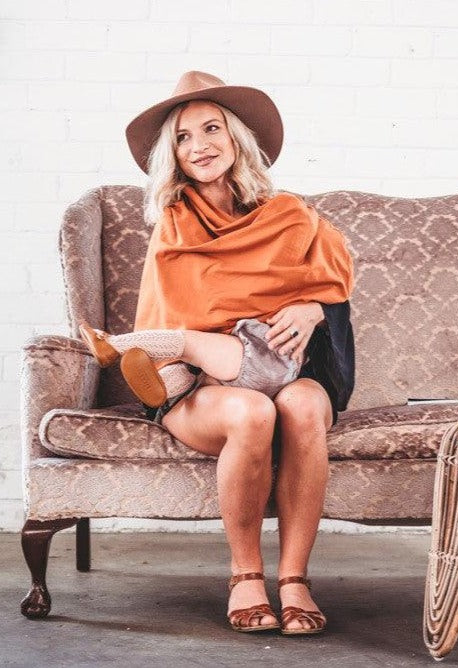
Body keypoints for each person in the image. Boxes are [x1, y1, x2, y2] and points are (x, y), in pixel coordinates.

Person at [83, 71, 355, 635]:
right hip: (204, 388)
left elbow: (336, 289)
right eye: (183, 137)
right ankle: (246, 576)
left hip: (288, 370)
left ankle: (296, 579)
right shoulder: (174, 228)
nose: (199, 144)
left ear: (236, 139)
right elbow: (166, 310)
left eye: (212, 129)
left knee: (303, 406)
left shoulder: (291, 215)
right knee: (248, 410)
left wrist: (310, 310)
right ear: (173, 155)